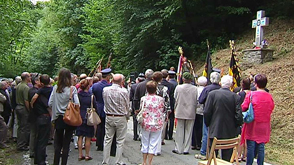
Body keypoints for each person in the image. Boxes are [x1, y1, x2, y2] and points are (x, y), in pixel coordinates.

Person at [203, 75, 243, 161]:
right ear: (231, 85)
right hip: (230, 131)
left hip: (215, 128)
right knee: (227, 158)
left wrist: (208, 123)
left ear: (221, 83)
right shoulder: (235, 97)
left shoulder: (212, 94)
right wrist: (236, 125)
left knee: (212, 155)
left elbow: (207, 111)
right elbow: (239, 115)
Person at [49, 68, 80, 165]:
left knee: (58, 143)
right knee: (66, 143)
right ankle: (64, 163)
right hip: (69, 118)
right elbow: (77, 103)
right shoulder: (72, 89)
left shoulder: (55, 88)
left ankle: (56, 162)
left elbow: (50, 103)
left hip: (58, 118)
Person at [241, 74, 274, 165]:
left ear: (256, 84)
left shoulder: (251, 95)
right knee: (261, 146)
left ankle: (249, 163)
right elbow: (271, 107)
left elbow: (244, 107)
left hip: (253, 124)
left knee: (251, 146)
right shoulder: (269, 96)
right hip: (264, 124)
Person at [102, 74, 130, 165]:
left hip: (109, 116)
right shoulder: (124, 91)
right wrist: (127, 116)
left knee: (107, 139)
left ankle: (105, 161)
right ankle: (118, 161)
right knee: (120, 141)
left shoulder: (105, 90)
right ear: (122, 81)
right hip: (120, 117)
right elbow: (127, 105)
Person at [195, 72, 221, 160]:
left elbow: (201, 100)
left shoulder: (207, 89)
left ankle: (204, 152)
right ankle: (214, 152)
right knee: (216, 133)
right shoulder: (221, 89)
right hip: (218, 114)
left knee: (206, 133)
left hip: (208, 112)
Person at [172, 72, 198, 155]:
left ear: (183, 79)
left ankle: (178, 148)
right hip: (191, 111)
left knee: (179, 130)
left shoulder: (178, 88)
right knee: (189, 131)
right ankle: (186, 149)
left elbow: (175, 98)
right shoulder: (195, 88)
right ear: (190, 79)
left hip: (180, 110)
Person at [140, 80, 165, 165]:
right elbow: (162, 110)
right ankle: (149, 162)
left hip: (146, 122)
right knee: (153, 143)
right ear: (156, 89)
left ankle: (144, 162)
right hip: (157, 123)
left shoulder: (143, 99)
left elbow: (141, 109)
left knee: (145, 141)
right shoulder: (161, 99)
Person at [31, 74, 53, 165]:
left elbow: (34, 98)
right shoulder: (52, 90)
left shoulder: (39, 91)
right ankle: (41, 161)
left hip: (39, 116)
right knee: (43, 140)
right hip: (46, 116)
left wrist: (32, 106)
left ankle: (37, 158)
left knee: (39, 138)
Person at [76, 79, 98, 161]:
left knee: (80, 136)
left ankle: (80, 154)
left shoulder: (78, 95)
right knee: (88, 137)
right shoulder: (91, 96)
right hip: (88, 117)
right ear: (88, 86)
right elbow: (95, 107)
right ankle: (87, 155)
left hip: (79, 117)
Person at [92, 68, 112, 151]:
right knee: (107, 128)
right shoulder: (109, 86)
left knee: (99, 126)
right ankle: (105, 144)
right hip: (107, 108)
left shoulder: (95, 85)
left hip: (98, 107)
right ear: (107, 77)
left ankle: (99, 143)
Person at [152, 71, 170, 155]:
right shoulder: (165, 89)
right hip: (161, 112)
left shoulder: (150, 87)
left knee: (151, 130)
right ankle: (157, 149)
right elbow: (167, 101)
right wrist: (167, 112)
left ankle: (151, 148)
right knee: (159, 131)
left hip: (151, 111)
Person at [15, 72, 31, 151]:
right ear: (27, 77)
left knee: (20, 126)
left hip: (18, 107)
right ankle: (22, 145)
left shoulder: (18, 86)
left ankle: (19, 143)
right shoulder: (25, 87)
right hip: (23, 108)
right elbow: (26, 100)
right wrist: (29, 110)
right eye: (29, 76)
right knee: (24, 127)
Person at [192, 76, 207, 150]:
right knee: (200, 128)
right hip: (202, 111)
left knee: (194, 127)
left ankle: (193, 143)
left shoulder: (195, 89)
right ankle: (198, 143)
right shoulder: (206, 90)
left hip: (195, 109)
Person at [28, 74, 41, 158]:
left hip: (34, 115)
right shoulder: (34, 91)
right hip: (35, 115)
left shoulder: (31, 90)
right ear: (36, 81)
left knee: (34, 133)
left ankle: (33, 150)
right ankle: (33, 151)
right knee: (34, 134)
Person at [129, 73, 145, 141]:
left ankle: (135, 135)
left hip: (136, 104)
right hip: (144, 105)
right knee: (143, 120)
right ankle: (142, 134)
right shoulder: (146, 85)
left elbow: (131, 97)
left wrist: (134, 108)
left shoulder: (133, 86)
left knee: (135, 120)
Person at [161, 69, 175, 141]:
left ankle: (164, 134)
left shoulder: (158, 85)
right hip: (170, 104)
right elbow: (172, 97)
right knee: (171, 119)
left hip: (161, 105)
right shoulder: (171, 85)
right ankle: (170, 134)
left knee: (163, 120)